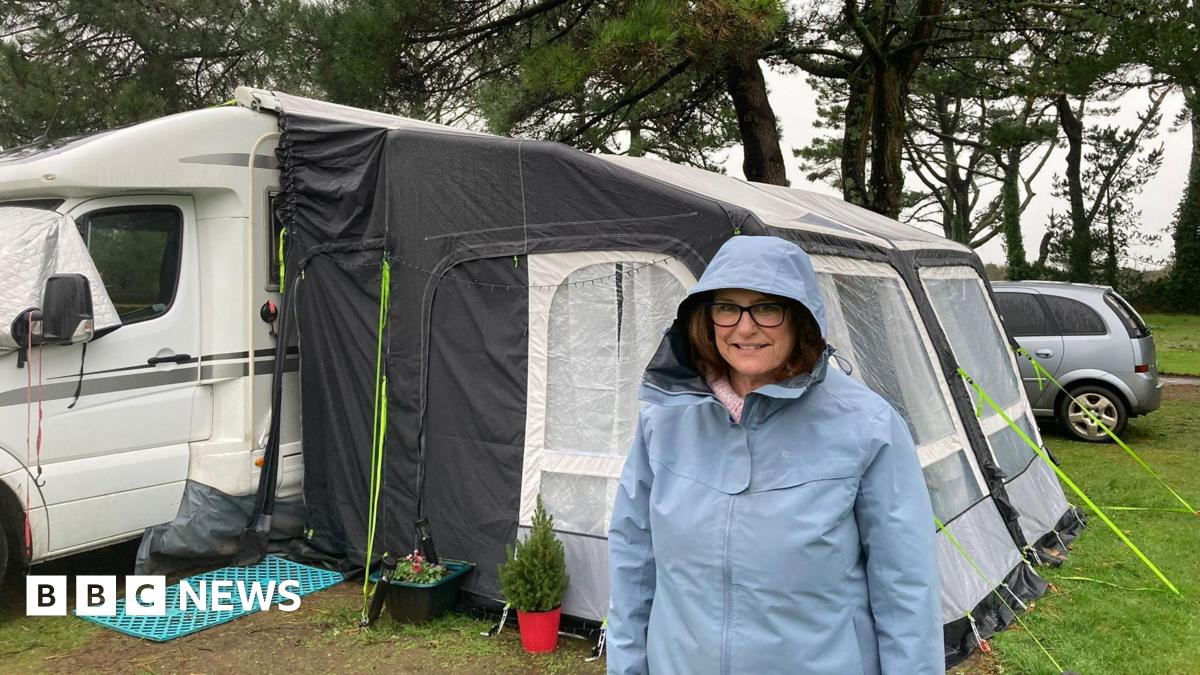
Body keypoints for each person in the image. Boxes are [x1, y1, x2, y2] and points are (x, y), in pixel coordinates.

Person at [607, 236, 942, 675]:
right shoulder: (664, 420)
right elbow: (634, 559)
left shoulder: (867, 426)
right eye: (727, 307)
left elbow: (906, 591)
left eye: (767, 308)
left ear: (802, 318)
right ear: (704, 318)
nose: (744, 328)